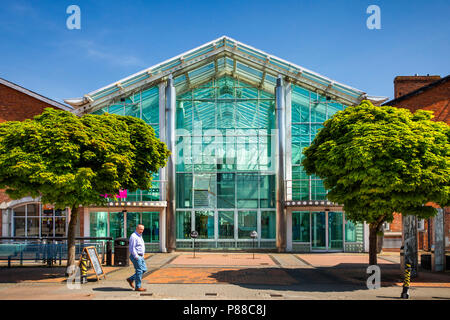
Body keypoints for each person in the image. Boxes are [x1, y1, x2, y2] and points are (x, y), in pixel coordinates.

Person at [126, 224, 147, 291]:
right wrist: (136, 256)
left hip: (141, 256)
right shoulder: (134, 236)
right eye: (140, 229)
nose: (142, 231)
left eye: (143, 229)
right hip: (136, 256)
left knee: (144, 270)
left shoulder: (139, 236)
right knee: (139, 270)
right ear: (137, 228)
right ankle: (138, 287)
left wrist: (142, 255)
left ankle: (131, 279)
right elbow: (132, 248)